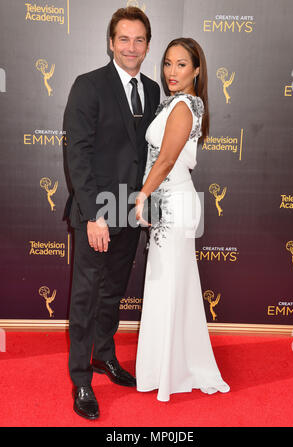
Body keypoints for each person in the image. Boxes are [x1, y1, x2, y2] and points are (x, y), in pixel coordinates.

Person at [64, 7, 160, 419]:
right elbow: (78, 155)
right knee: (86, 297)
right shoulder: (89, 86)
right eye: (124, 39)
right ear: (110, 42)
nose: (131, 47)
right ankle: (82, 378)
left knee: (113, 292)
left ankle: (105, 355)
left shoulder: (154, 89)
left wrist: (143, 203)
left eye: (139, 40)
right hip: (98, 211)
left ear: (148, 45)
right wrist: (93, 214)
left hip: (132, 210)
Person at [135, 38, 230, 402]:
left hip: (172, 201)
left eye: (181, 65)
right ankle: (170, 366)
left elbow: (166, 160)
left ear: (196, 70)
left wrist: (142, 196)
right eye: (168, 64)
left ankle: (171, 370)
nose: (171, 72)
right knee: (170, 284)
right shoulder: (174, 103)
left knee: (170, 285)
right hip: (169, 200)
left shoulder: (185, 105)